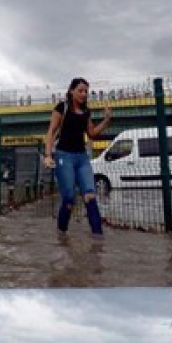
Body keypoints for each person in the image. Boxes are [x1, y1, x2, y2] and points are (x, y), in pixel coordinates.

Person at [44, 77, 112, 237]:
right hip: (63, 156)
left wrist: (106, 120)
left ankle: (98, 240)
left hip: (82, 158)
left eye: (86, 91)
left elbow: (92, 133)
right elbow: (51, 132)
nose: (83, 94)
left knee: (90, 195)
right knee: (68, 197)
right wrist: (48, 155)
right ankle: (61, 233)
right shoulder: (62, 108)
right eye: (80, 90)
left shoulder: (86, 112)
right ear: (71, 91)